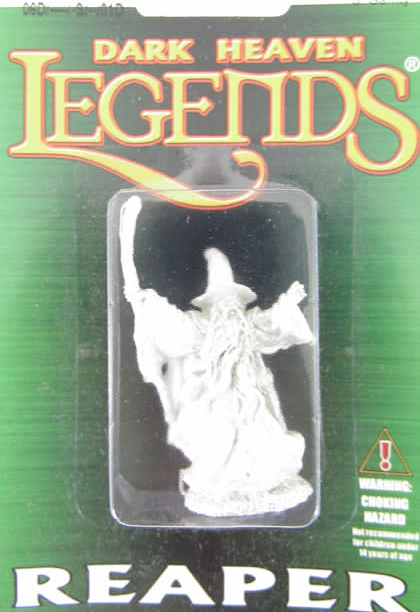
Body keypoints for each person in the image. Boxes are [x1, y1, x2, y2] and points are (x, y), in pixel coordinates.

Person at [120, 196, 314, 517]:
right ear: (210, 303)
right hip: (215, 398)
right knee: (219, 440)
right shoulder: (201, 326)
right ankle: (221, 484)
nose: (228, 305)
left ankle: (264, 482)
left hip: (253, 395)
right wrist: (146, 301)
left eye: (231, 298)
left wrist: (287, 303)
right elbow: (174, 326)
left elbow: (272, 325)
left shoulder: (248, 323)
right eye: (221, 299)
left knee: (264, 437)